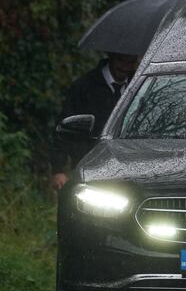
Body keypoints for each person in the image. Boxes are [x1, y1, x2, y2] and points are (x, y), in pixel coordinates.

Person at [50, 52, 139, 190]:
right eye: (121, 61)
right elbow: (65, 127)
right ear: (111, 57)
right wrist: (58, 169)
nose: (126, 67)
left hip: (130, 170)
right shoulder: (83, 87)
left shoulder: (140, 86)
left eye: (131, 62)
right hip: (88, 168)